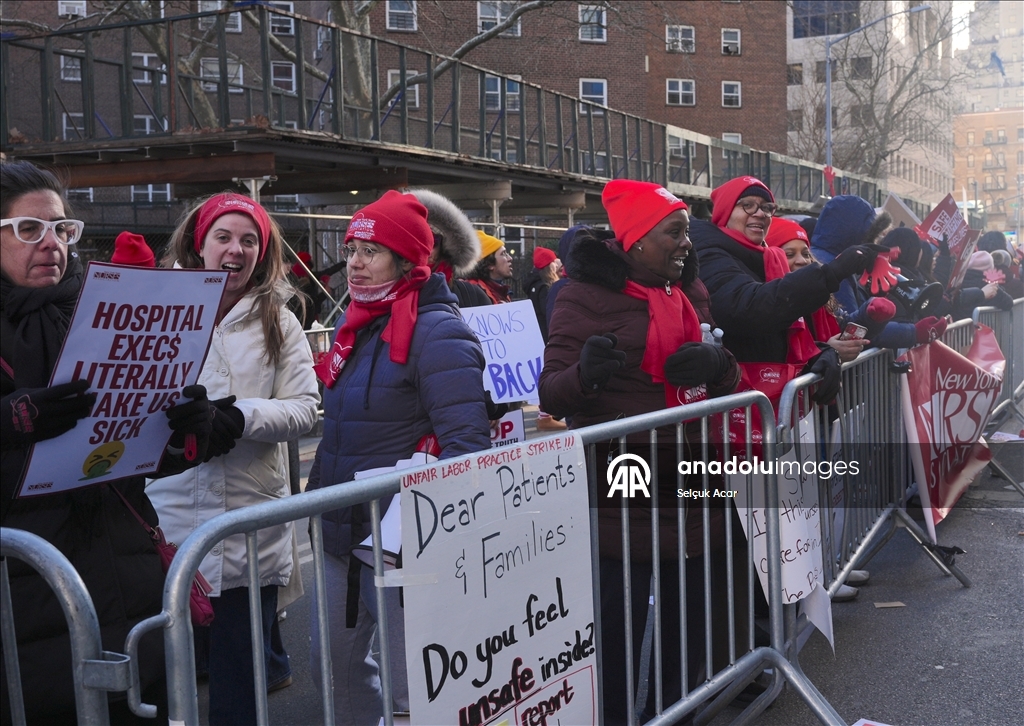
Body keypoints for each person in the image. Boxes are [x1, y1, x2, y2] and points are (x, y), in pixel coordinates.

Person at [0, 160, 213, 724]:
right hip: (27, 594)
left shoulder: (101, 313)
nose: (51, 243)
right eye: (28, 230)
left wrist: (183, 426)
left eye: (61, 228)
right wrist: (9, 422)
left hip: (126, 572)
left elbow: (128, 453)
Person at [540, 179, 741, 721]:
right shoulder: (580, 295)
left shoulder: (691, 290)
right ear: (635, 242)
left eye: (686, 234)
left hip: (695, 485)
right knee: (616, 641)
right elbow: (552, 391)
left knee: (689, 638)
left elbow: (731, 372)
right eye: (674, 233)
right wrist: (585, 375)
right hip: (621, 493)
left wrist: (716, 365)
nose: (686, 244)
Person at [306, 191, 491, 725]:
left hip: (400, 548)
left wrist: (419, 539)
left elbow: (467, 448)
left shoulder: (438, 330)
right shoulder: (359, 323)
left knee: (417, 690)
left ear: (410, 260)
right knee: (333, 672)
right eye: (352, 249)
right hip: (339, 531)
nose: (355, 264)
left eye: (372, 250)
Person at [147, 193, 320, 726]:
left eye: (249, 240)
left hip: (249, 531)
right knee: (162, 682)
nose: (236, 249)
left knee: (239, 689)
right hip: (168, 525)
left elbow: (306, 410)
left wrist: (238, 417)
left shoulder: (280, 320)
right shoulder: (154, 307)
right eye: (223, 236)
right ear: (199, 244)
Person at [764, 217, 867, 363]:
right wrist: (827, 352)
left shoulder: (819, 298)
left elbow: (842, 324)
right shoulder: (764, 306)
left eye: (806, 254)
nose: (803, 261)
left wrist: (872, 316)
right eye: (789, 255)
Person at [408, 188, 491, 309]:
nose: (423, 249)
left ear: (445, 248)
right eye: (415, 241)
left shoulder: (473, 296)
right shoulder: (386, 296)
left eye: (432, 242)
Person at [523, 245, 561, 342]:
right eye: (553, 261)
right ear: (548, 265)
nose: (556, 265)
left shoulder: (535, 285)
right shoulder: (545, 288)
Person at [465, 230, 513, 303]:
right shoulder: (472, 291)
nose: (510, 258)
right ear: (490, 264)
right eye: (503, 254)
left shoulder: (500, 290)